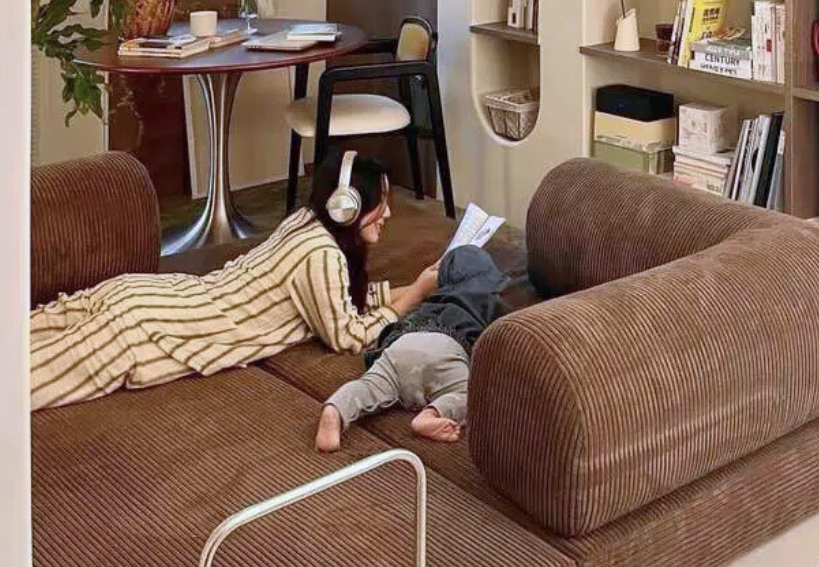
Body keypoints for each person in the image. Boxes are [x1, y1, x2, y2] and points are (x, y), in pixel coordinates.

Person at [30, 153, 437, 411]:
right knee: (22, 387)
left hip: (145, 296)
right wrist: (412, 296)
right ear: (345, 207)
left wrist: (408, 290)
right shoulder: (321, 254)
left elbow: (337, 300)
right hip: (146, 329)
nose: (388, 214)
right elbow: (347, 336)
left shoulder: (305, 223)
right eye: (380, 204)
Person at [316, 242, 507, 449]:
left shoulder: (431, 301)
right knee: (473, 397)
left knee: (367, 387)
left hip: (402, 345)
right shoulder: (489, 301)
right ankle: (432, 414)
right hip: (448, 347)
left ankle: (336, 410)